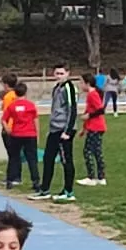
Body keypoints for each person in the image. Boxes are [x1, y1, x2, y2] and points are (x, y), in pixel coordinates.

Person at [37, 64, 78, 201]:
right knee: (48, 158)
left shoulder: (69, 88)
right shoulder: (57, 88)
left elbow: (72, 109)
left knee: (66, 160)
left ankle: (68, 191)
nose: (59, 76)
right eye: (57, 73)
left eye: (62, 73)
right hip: (54, 128)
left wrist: (68, 131)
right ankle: (45, 189)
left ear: (67, 73)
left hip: (64, 129)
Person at [5, 82, 40, 192]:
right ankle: (35, 181)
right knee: (32, 159)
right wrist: (37, 134)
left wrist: (7, 129)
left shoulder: (12, 106)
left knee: (14, 157)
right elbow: (35, 120)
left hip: (16, 134)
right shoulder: (31, 105)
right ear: (26, 92)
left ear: (15, 93)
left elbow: (3, 119)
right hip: (30, 134)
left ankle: (10, 179)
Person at [80, 71, 107, 186]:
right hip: (95, 127)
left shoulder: (92, 94)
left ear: (87, 83)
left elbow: (100, 110)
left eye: (81, 82)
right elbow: (89, 111)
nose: (80, 85)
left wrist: (88, 116)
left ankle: (91, 177)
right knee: (97, 152)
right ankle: (101, 178)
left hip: (95, 127)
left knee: (87, 151)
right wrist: (84, 129)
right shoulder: (91, 94)